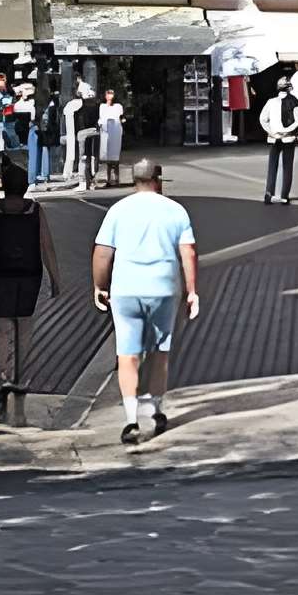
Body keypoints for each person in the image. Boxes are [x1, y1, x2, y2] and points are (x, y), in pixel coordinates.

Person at [91, 157, 198, 445]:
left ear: (133, 179)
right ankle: (157, 409)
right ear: (158, 179)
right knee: (160, 351)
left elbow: (103, 252)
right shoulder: (175, 210)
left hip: (126, 289)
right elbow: (187, 252)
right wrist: (192, 290)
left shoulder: (118, 210)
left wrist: (99, 286)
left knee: (128, 354)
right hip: (164, 288)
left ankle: (130, 419)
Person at [0, 168, 62, 419]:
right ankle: (20, 377)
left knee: (0, 327)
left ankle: (3, 380)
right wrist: (55, 278)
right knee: (24, 326)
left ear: (4, 186)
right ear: (24, 186)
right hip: (29, 275)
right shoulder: (35, 210)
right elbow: (47, 247)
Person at [259, 73, 298, 205]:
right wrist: (287, 131)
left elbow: (263, 119)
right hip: (288, 138)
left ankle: (269, 193)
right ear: (289, 88)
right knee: (287, 167)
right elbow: (297, 121)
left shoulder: (271, 102)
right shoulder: (294, 101)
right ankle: (284, 196)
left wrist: (272, 132)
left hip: (274, 138)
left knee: (272, 167)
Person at [98, 88, 126, 187]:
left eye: (111, 94)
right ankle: (109, 179)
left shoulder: (118, 106)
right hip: (106, 131)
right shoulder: (102, 106)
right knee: (108, 156)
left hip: (116, 131)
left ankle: (117, 179)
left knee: (115, 155)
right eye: (108, 94)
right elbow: (101, 118)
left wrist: (122, 121)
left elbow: (122, 117)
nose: (110, 96)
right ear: (105, 96)